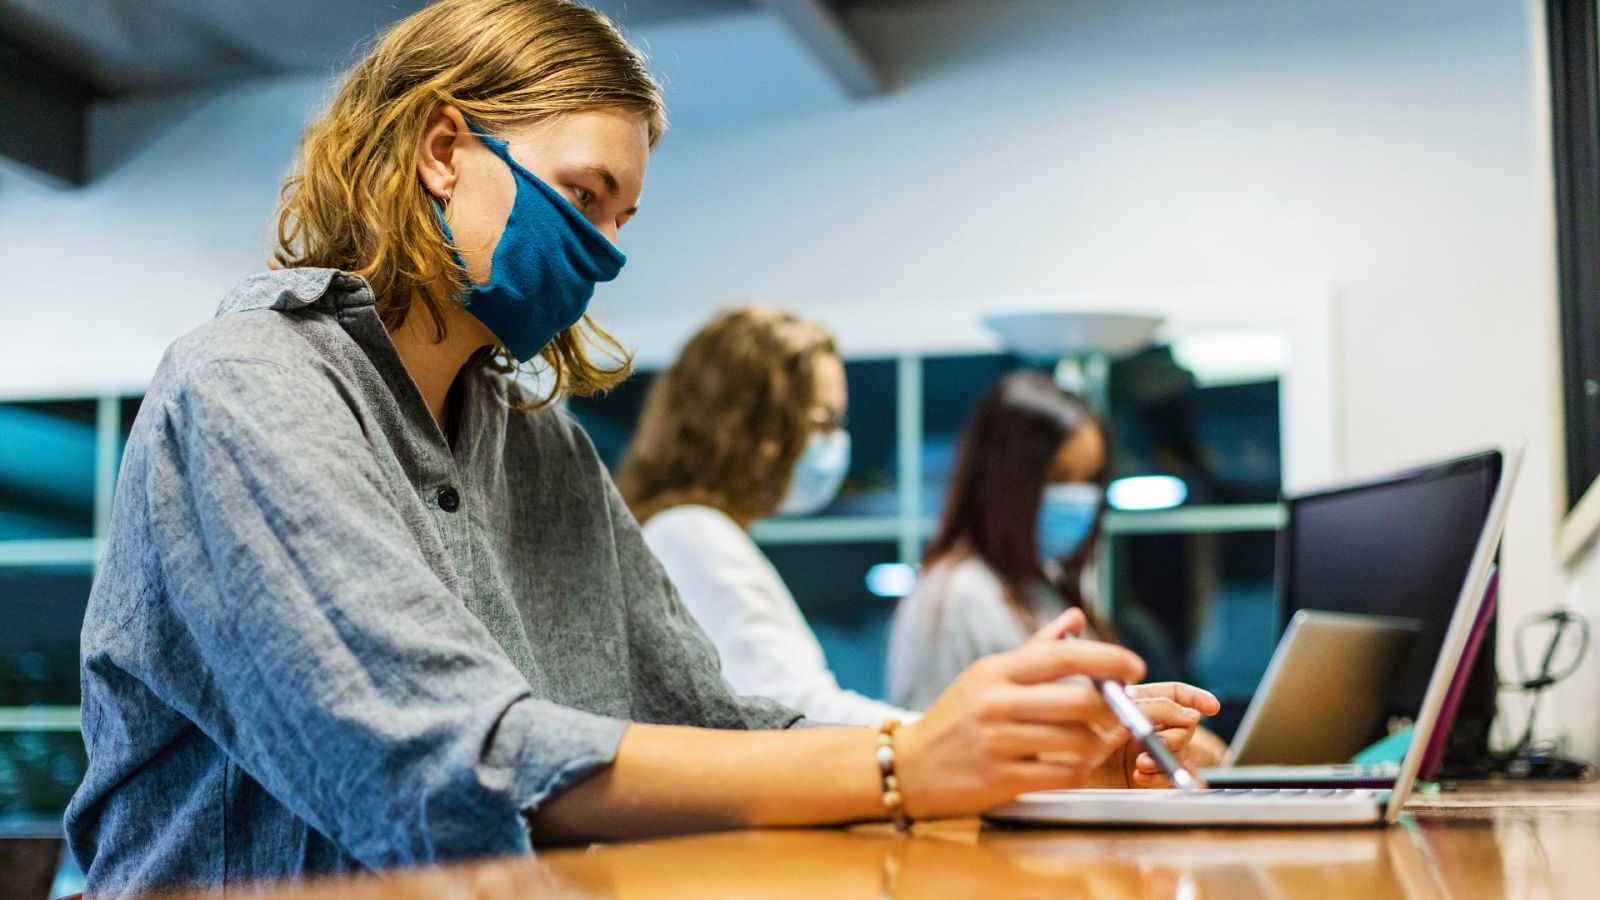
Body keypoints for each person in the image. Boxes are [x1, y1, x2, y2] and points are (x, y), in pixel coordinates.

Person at [65, 1, 1217, 893]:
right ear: (438, 149)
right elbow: (441, 766)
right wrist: (904, 767)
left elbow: (714, 726)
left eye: (623, 218)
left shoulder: (539, 442)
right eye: (584, 194)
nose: (606, 252)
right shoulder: (249, 387)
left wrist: (1017, 754)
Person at [886, 372, 1227, 761]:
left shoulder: (1043, 587)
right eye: (1059, 477)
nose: (1076, 497)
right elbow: (933, 756)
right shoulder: (954, 597)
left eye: (1089, 479)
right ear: (1004, 478)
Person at [617, 308, 912, 726]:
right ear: (756, 428)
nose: (835, 442)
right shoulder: (692, 535)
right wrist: (940, 736)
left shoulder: (692, 531)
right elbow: (789, 716)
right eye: (825, 421)